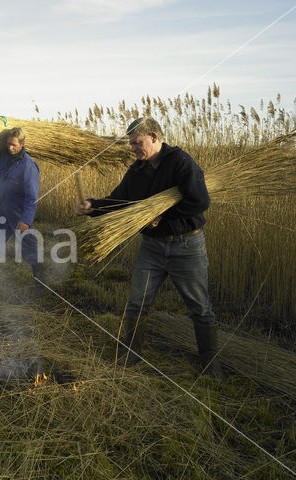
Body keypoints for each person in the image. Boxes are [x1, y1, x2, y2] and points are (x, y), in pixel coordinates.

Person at [75, 118, 223, 378]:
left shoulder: (180, 162)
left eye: (136, 143)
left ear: (154, 136)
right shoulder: (137, 171)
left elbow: (200, 201)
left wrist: (163, 216)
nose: (132, 148)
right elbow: (119, 201)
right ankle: (130, 356)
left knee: (200, 307)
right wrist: (92, 207)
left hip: (186, 245)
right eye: (130, 144)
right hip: (152, 248)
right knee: (137, 303)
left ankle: (211, 366)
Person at [0, 127, 45, 287]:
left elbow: (32, 197)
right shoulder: (3, 158)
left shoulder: (28, 166)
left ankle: (41, 287)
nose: (10, 148)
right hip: (2, 215)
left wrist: (26, 220)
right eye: (8, 144)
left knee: (30, 252)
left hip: (19, 216)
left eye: (14, 145)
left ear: (22, 144)